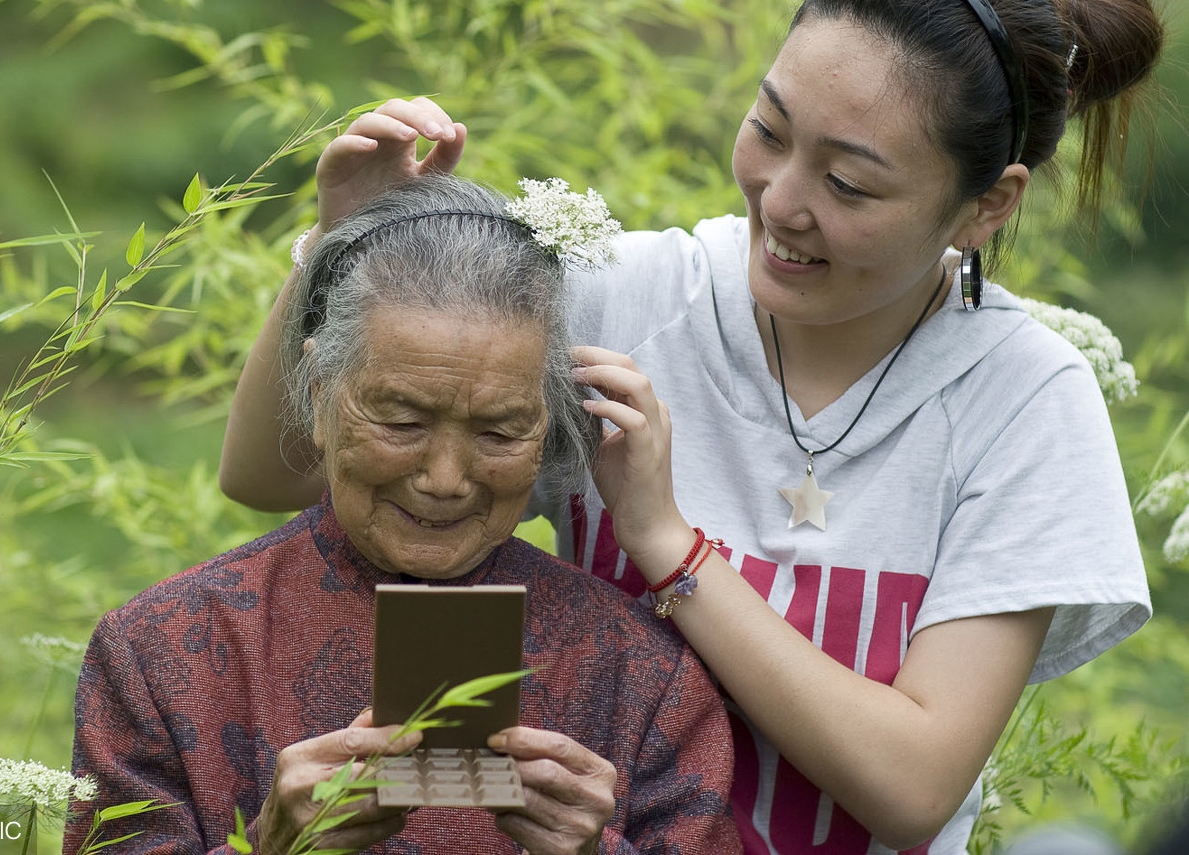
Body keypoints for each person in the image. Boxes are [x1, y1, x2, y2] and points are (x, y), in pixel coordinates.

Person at [218, 0, 1165, 852]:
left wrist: (668, 545)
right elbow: (272, 472)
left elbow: (913, 787)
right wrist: (338, 242)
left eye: (848, 184)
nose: (781, 200)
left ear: (987, 205)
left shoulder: (1024, 399)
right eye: (770, 131)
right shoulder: (621, 295)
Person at [66, 176, 741, 855]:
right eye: (401, 421)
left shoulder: (642, 677)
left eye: (499, 431)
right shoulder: (159, 653)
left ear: (550, 424)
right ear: (319, 393)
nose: (445, 480)